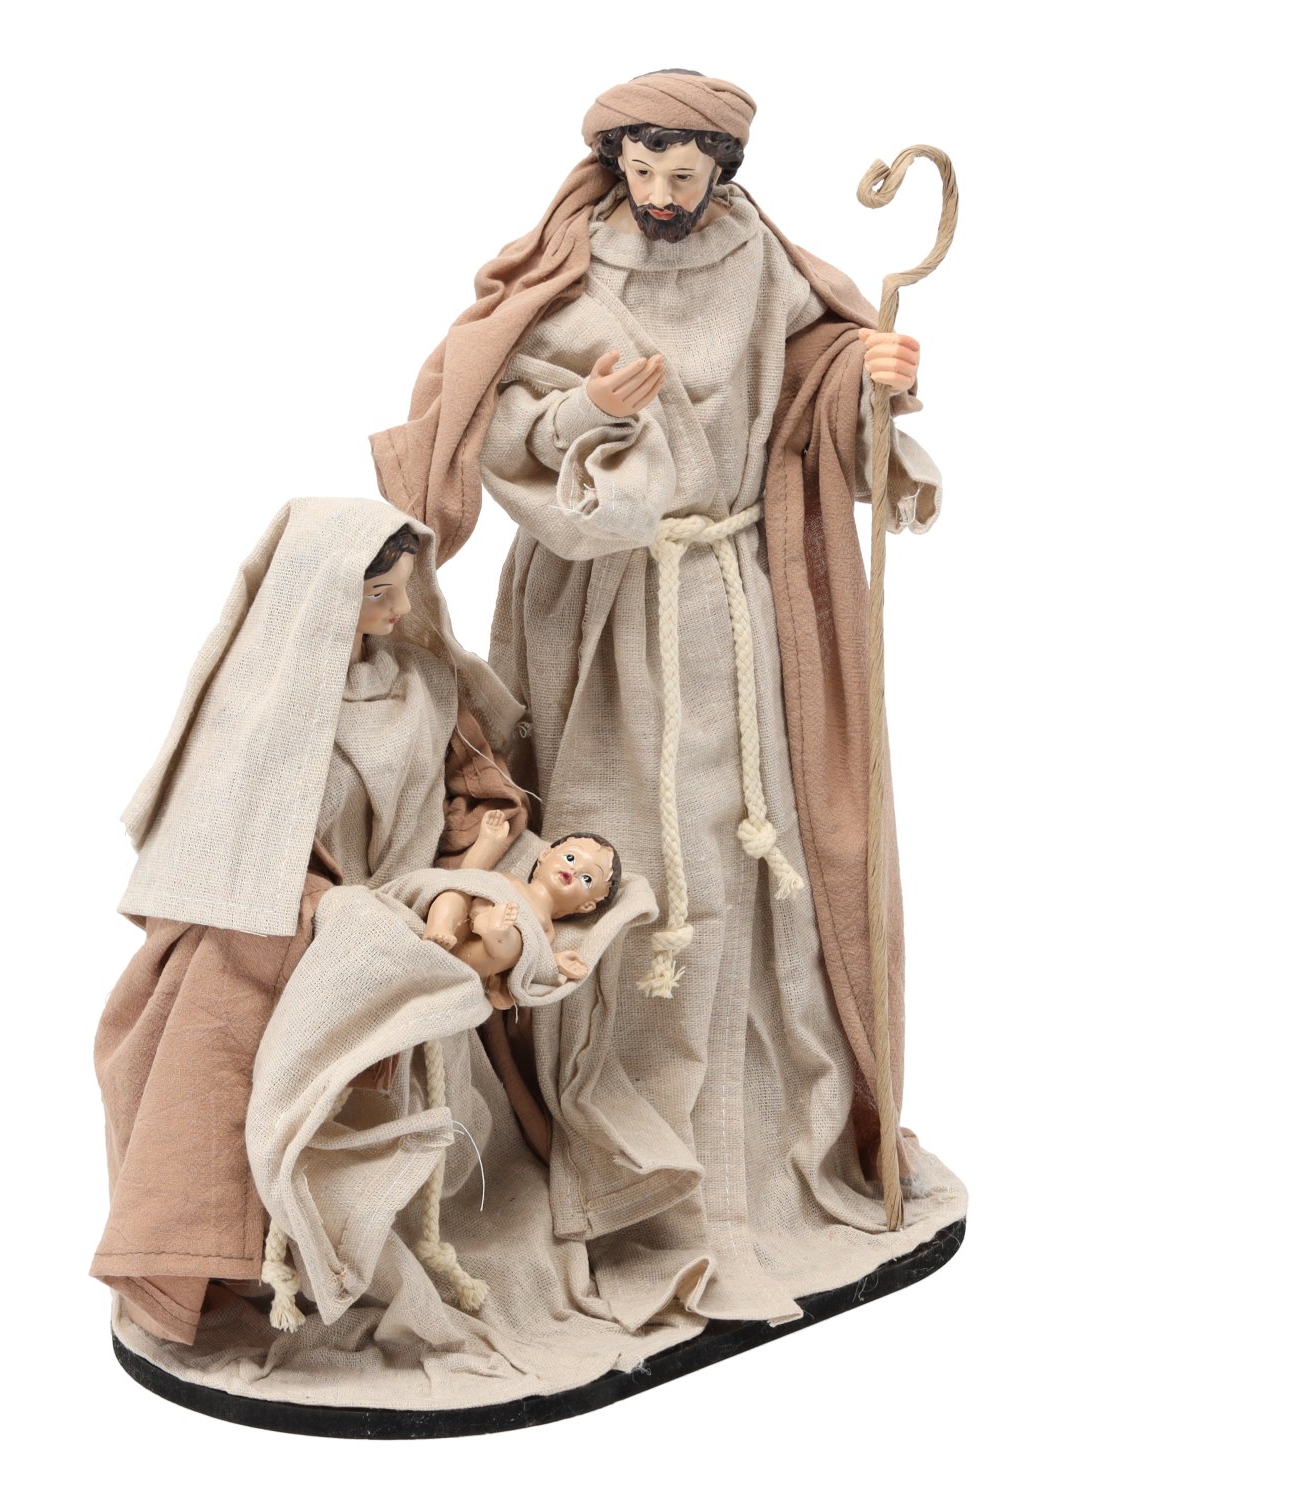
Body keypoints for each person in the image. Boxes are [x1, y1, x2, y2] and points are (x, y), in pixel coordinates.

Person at [369, 70, 967, 1329]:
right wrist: (587, 413)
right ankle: (622, 1178)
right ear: (615, 162)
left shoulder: (762, 261)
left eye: (684, 175)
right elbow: (489, 409)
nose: (660, 194)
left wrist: (868, 372)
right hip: (602, 612)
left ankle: (771, 1160)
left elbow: (808, 381)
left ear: (722, 174)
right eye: (641, 171)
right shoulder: (568, 271)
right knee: (615, 864)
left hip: (738, 599)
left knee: (760, 866)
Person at [90, 496, 524, 1345]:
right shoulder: (262, 701)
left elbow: (479, 786)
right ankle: (232, 1257)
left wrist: (471, 849)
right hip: (283, 922)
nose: (400, 610)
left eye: (406, 590)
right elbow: (226, 831)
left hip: (404, 922)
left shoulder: (427, 684)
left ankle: (363, 1246)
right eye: (378, 594)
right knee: (206, 1053)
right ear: (326, 596)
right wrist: (321, 908)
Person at [422, 809, 620, 996]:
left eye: (587, 879)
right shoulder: (510, 879)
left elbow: (533, 961)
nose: (574, 871)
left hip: (477, 957)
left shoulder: (546, 928)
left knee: (519, 948)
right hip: (459, 927)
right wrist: (488, 842)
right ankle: (440, 926)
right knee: (456, 890)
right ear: (545, 855)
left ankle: (494, 932)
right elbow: (470, 875)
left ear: (586, 906)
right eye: (570, 858)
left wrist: (557, 963)